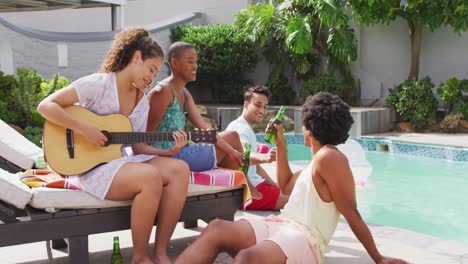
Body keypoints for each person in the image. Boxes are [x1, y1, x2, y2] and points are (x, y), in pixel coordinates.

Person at [174, 92, 407, 264]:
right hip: (282, 225)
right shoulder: (317, 160)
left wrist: (378, 258)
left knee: (247, 258)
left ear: (309, 128)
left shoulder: (330, 158)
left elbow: (351, 211)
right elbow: (285, 185)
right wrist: (281, 142)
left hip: (305, 238)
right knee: (217, 228)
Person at [37, 27, 189, 264]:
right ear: (136, 57)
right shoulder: (99, 84)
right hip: (90, 167)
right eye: (151, 69)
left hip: (120, 163)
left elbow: (138, 146)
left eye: (156, 73)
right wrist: (85, 129)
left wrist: (168, 152)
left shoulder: (141, 102)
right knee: (149, 177)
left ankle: (160, 252)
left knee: (180, 169)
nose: (152, 77)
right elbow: (46, 106)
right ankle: (139, 257)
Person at [146, 41, 262, 199]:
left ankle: (235, 192)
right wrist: (167, 152)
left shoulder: (184, 93)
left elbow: (207, 130)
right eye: (190, 61)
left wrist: (233, 152)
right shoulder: (162, 92)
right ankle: (245, 185)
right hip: (170, 158)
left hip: (184, 152)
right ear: (174, 62)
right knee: (232, 138)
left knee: (232, 139)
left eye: (196, 61)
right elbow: (147, 137)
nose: (195, 66)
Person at [226, 85, 289, 210]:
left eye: (265, 107)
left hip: (255, 185)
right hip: (247, 193)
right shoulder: (241, 129)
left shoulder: (245, 127)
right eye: (258, 105)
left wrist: (275, 185)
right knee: (296, 201)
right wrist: (264, 157)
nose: (262, 110)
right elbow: (242, 152)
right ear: (246, 105)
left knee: (290, 192)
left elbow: (256, 168)